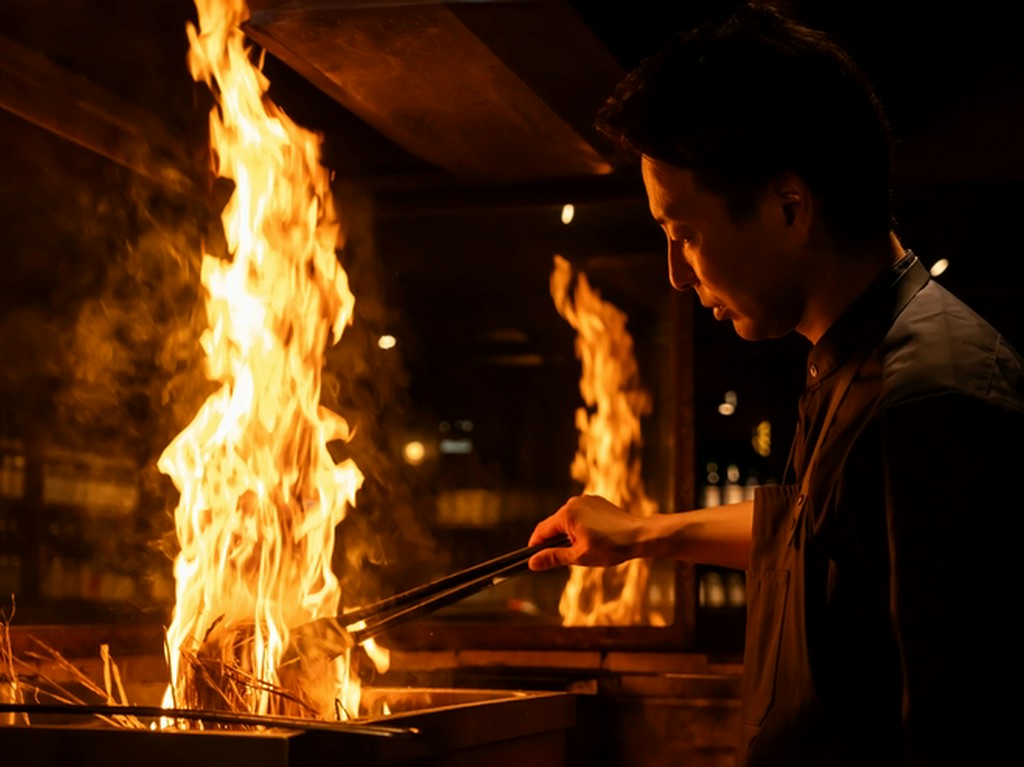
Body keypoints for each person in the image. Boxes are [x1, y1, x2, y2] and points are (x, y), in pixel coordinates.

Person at [526, 4, 1023, 765]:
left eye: (683, 234)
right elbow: (818, 534)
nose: (676, 274)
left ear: (789, 207)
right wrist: (641, 535)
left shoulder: (932, 398)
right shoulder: (860, 357)